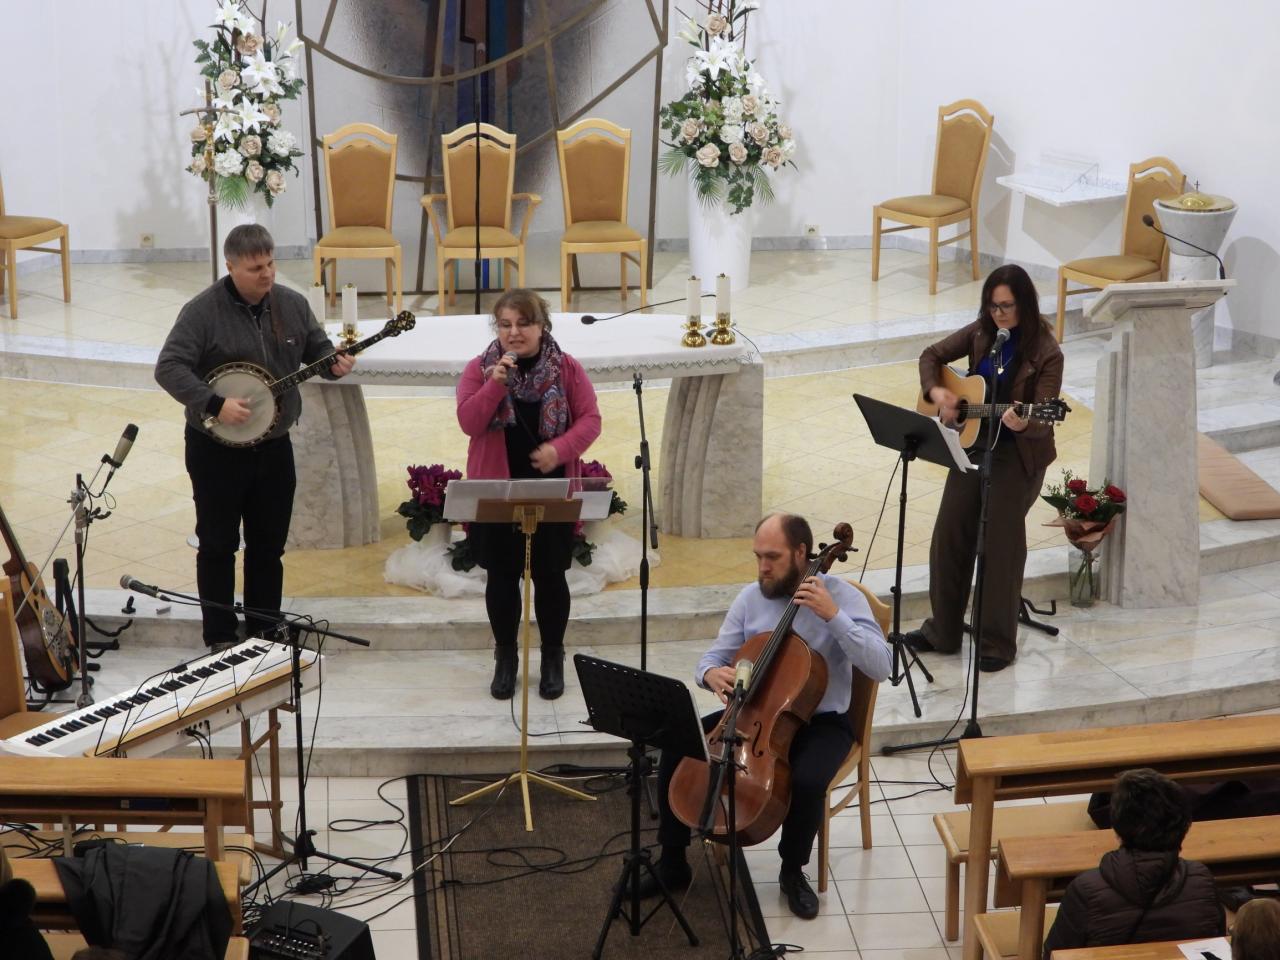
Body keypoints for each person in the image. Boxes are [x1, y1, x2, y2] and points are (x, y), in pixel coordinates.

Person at [638, 513, 892, 920]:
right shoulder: (750, 599)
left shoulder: (842, 598)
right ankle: (673, 862)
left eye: (772, 557)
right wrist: (710, 673)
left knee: (807, 780)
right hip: (752, 712)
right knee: (678, 740)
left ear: (802, 553)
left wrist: (834, 617)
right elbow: (712, 658)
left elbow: (881, 665)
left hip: (822, 722)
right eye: (758, 557)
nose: (762, 567)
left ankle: (792, 871)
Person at [156, 225, 355, 652]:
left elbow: (318, 350)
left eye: (270, 264)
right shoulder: (202, 312)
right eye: (255, 268)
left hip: (273, 447)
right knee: (218, 545)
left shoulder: (292, 304)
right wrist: (214, 403)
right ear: (230, 267)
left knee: (268, 546)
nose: (267, 274)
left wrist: (333, 363)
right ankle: (220, 636)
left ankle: (264, 631)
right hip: (215, 451)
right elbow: (168, 367)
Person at [904, 263, 1064, 672]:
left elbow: (1045, 414)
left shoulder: (1047, 352)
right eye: (993, 306)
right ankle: (943, 631)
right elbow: (931, 355)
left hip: (1018, 454)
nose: (999, 314)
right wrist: (939, 392)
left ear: (1025, 304)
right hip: (974, 445)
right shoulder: (982, 333)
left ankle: (996, 642)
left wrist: (1025, 421)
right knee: (950, 534)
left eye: (1007, 306)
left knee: (999, 544)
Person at [456, 289, 601, 701]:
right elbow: (469, 422)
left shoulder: (567, 369)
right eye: (505, 325)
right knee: (502, 577)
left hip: (551, 491)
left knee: (550, 576)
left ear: (542, 326)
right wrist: (493, 386)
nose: (514, 332)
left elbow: (591, 420)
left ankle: (553, 657)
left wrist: (561, 448)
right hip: (497, 491)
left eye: (524, 323)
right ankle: (506, 657)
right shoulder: (480, 369)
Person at [1041, 768, 1226, 960]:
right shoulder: (1201, 880)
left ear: (1116, 825)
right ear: (1183, 825)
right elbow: (1217, 948)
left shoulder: (1085, 890)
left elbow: (1053, 955)